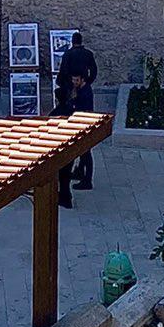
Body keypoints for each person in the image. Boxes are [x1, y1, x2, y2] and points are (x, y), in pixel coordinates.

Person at [60, 32, 98, 188]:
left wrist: (67, 88)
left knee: (84, 148)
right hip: (82, 89)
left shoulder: (68, 55)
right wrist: (87, 82)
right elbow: (94, 71)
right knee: (82, 147)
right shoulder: (88, 54)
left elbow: (62, 73)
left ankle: (86, 178)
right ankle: (80, 171)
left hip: (76, 100)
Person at [52, 71, 81, 208]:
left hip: (61, 148)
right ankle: (65, 195)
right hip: (70, 147)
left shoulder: (57, 113)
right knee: (66, 175)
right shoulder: (71, 109)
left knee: (62, 175)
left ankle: (65, 198)